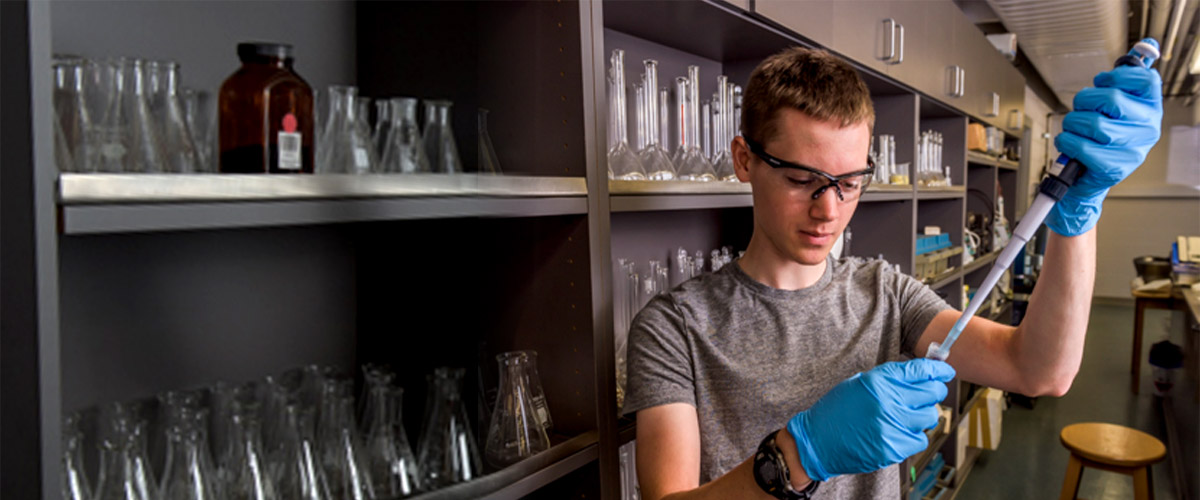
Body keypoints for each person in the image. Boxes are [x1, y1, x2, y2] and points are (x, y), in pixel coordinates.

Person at [623, 44, 1163, 500]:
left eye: (850, 181)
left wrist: (1078, 214)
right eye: (801, 179)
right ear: (745, 159)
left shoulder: (886, 294)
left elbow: (1040, 370)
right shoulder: (674, 328)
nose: (828, 210)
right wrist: (795, 457)